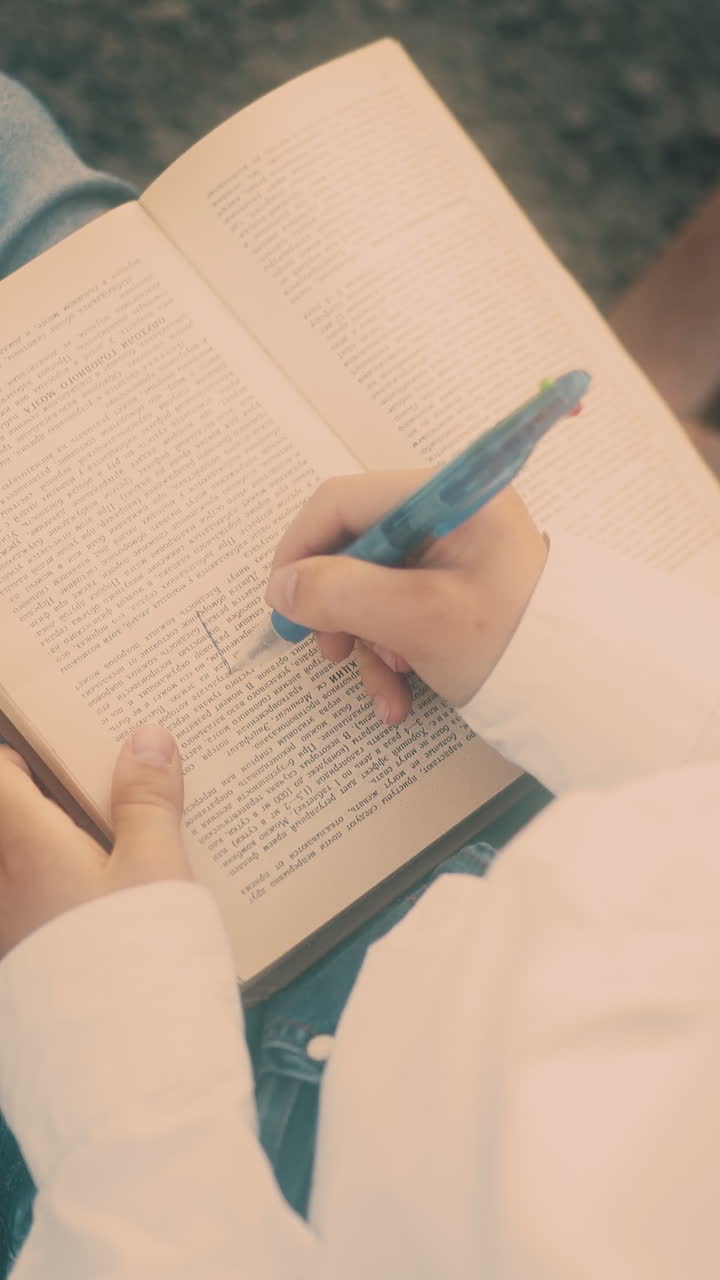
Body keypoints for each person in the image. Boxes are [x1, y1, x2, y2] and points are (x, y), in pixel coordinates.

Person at [1, 72, 720, 1280]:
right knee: (54, 235)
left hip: (221, 1139)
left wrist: (101, 1028)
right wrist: (557, 637)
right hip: (568, 801)